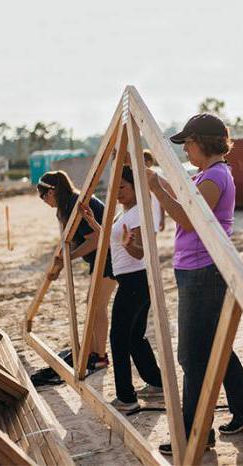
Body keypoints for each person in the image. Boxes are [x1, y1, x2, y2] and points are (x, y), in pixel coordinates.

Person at [145, 113, 243, 455]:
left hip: (203, 272)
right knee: (214, 347)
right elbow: (188, 206)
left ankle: (195, 432)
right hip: (200, 270)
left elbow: (189, 219)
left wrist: (157, 188)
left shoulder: (214, 176)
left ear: (204, 142)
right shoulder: (206, 175)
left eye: (188, 143)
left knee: (192, 356)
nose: (185, 149)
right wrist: (164, 186)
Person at [79, 166, 163, 413]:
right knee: (135, 336)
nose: (117, 193)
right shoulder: (124, 211)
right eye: (114, 188)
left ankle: (126, 398)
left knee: (119, 337)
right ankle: (156, 382)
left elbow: (140, 251)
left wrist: (128, 246)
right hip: (131, 280)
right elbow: (112, 237)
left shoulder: (139, 213)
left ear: (136, 186)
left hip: (136, 279)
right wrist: (92, 222)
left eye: (122, 188)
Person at [37, 170, 116, 371]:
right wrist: (58, 265)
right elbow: (67, 242)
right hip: (99, 259)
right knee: (93, 305)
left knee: (96, 305)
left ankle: (100, 356)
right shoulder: (65, 206)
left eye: (43, 195)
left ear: (52, 192)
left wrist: (68, 259)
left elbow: (96, 239)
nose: (43, 200)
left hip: (111, 256)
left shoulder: (75, 204)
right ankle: (90, 352)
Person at [143, 149, 166, 232]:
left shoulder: (156, 175)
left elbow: (162, 198)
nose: (143, 163)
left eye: (145, 161)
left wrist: (162, 218)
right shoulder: (137, 177)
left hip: (155, 211)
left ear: (149, 162)